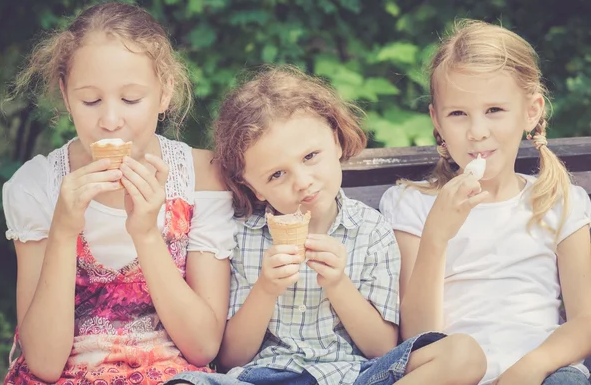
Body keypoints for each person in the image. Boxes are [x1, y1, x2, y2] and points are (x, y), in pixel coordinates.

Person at [167, 66, 486, 385]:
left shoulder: (370, 229)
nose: (303, 182)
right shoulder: (240, 237)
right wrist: (265, 289)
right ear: (254, 188)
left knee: (462, 354)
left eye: (310, 157)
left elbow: (382, 347)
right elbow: (229, 359)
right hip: (263, 376)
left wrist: (338, 284)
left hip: (353, 374)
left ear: (335, 140)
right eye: (276, 175)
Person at [2, 1, 236, 384]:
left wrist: (145, 233)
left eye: (131, 100)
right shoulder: (37, 186)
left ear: (164, 94)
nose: (110, 122)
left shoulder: (200, 177)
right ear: (65, 96)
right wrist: (62, 231)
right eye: (90, 100)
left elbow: (203, 346)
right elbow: (43, 362)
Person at [379, 19, 591, 385]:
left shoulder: (560, 201)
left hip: (541, 372)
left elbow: (585, 321)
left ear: (531, 111)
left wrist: (531, 367)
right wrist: (436, 236)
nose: (477, 131)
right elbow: (417, 337)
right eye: (458, 113)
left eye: (494, 110)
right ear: (437, 121)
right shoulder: (410, 203)